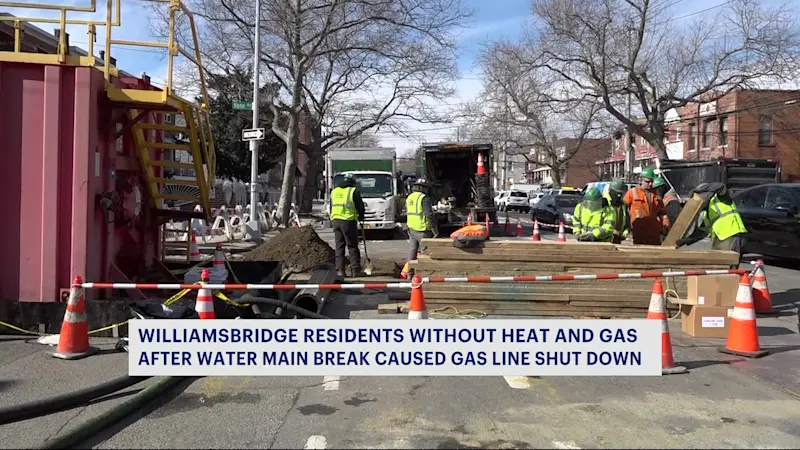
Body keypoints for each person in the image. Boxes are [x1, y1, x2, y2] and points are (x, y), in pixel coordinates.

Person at [676, 183, 748, 268]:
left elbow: (721, 186)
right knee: (720, 268)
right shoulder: (707, 214)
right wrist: (685, 241)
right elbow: (703, 232)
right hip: (723, 239)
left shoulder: (722, 199)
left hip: (732, 236)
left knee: (727, 268)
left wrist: (698, 191)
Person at [329, 173, 366, 278]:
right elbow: (360, 206)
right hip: (348, 221)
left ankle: (340, 271)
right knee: (352, 246)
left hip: (336, 220)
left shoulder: (334, 191)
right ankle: (356, 270)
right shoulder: (353, 191)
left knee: (339, 246)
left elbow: (331, 205)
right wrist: (361, 217)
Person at [624, 167, 668, 245]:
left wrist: (665, 224)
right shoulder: (632, 193)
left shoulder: (656, 196)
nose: (650, 184)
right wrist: (626, 226)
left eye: (652, 182)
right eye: (648, 182)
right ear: (641, 180)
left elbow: (662, 212)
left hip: (653, 233)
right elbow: (623, 209)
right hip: (639, 232)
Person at [405, 178, 438, 263]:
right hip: (423, 230)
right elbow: (429, 215)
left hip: (412, 228)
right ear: (423, 188)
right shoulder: (424, 198)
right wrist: (435, 230)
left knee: (412, 251)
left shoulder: (410, 197)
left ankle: (409, 273)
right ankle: (424, 274)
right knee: (425, 253)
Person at [604, 179, 630, 244]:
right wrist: (612, 231)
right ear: (610, 191)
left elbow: (627, 224)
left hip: (618, 240)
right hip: (605, 239)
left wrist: (623, 235)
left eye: (621, 194)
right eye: (617, 193)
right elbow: (598, 224)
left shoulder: (623, 205)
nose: (619, 196)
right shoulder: (603, 202)